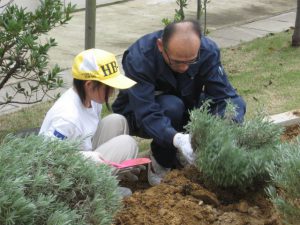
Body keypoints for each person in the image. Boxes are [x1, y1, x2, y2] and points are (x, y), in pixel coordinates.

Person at [112, 19, 246, 186]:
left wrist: (225, 130)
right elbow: (145, 112)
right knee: (172, 106)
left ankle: (197, 154)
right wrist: (176, 138)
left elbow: (225, 96)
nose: (184, 68)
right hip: (137, 114)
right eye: (177, 61)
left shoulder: (207, 50)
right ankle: (161, 162)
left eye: (191, 61)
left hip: (187, 103)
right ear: (161, 46)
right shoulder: (140, 57)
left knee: (236, 104)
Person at [39, 48, 138, 196]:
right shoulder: (67, 118)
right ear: (90, 85)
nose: (112, 92)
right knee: (127, 144)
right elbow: (47, 159)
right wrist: (84, 156)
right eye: (109, 87)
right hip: (63, 178)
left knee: (117, 121)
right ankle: (95, 194)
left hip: (79, 155)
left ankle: (106, 182)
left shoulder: (90, 98)